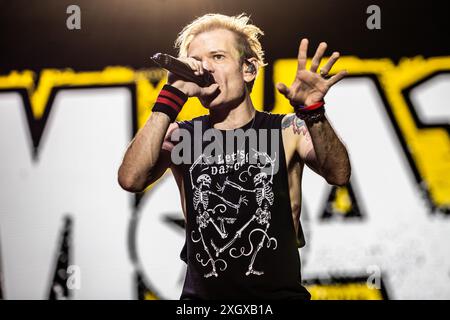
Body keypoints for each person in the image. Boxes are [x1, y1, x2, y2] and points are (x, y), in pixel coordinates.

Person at [118, 13, 351, 300]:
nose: (205, 68)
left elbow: (338, 174)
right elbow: (131, 178)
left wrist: (314, 112)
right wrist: (170, 97)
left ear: (249, 69)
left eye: (217, 56)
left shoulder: (287, 130)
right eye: (197, 60)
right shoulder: (181, 136)